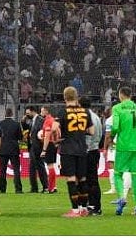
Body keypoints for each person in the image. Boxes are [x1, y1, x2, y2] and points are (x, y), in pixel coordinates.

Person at [44, 86, 93, 217]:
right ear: (76, 96)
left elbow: (54, 128)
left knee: (71, 179)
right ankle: (84, 209)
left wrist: (58, 138)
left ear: (65, 97)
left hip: (68, 149)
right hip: (82, 149)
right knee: (82, 179)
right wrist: (79, 132)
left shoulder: (63, 112)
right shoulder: (85, 111)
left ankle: (75, 210)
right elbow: (92, 131)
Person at [107, 86, 136, 215]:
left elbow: (115, 127)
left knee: (118, 173)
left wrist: (112, 137)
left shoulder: (117, 108)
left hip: (123, 145)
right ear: (131, 95)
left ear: (121, 95)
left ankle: (122, 198)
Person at [80, 97, 104, 216]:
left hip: (88, 151)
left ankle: (93, 206)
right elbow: (100, 134)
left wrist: (85, 149)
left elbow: (88, 135)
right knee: (93, 180)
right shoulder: (96, 117)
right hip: (95, 150)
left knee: (89, 180)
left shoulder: (87, 117)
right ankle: (95, 205)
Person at [0, 107, 23, 194]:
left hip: (2, 149)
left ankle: (2, 189)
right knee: (16, 169)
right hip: (13, 149)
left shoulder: (0, 124)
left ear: (5, 114)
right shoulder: (16, 124)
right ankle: (18, 189)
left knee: (2, 170)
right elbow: (20, 137)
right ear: (12, 114)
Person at [23, 106, 48, 193]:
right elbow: (30, 132)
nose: (27, 115)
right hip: (32, 147)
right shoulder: (31, 121)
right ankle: (34, 188)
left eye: (28, 113)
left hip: (38, 147)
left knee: (40, 167)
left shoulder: (41, 120)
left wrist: (43, 148)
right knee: (32, 168)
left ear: (33, 111)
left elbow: (43, 134)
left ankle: (45, 187)